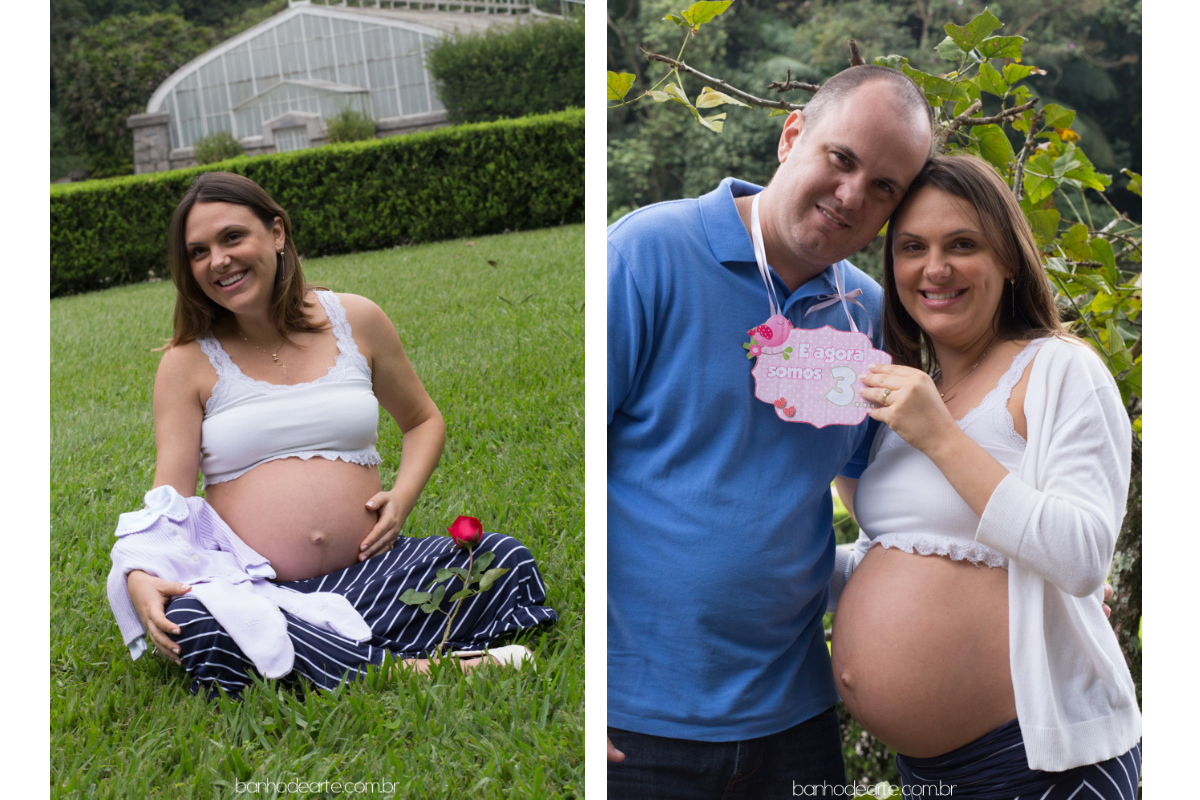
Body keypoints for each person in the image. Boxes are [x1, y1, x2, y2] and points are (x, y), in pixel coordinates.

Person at [607, 66, 933, 797]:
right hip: (637, 725)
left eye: (885, 187)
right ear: (792, 136)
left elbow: (885, 493)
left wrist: (1032, 578)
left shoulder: (868, 313)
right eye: (841, 159)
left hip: (796, 722)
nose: (853, 196)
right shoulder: (647, 252)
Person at [115, 172, 557, 698]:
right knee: (202, 623)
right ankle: (417, 667)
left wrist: (401, 499)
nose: (218, 260)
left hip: (370, 575)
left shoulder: (357, 320)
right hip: (261, 590)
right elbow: (172, 501)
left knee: (502, 559)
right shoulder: (186, 363)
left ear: (276, 233)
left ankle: (323, 660)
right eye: (198, 251)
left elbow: (422, 421)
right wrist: (139, 574)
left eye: (233, 237)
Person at [830, 153, 1140, 797]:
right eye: (913, 247)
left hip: (1039, 764)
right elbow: (891, 557)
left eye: (962, 244)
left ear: (1007, 257)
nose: (934, 268)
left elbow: (1082, 558)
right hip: (927, 776)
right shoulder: (912, 395)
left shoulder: (1060, 371)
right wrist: (766, 561)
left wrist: (939, 436)